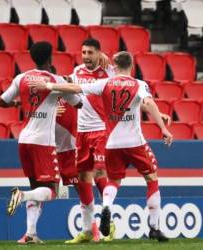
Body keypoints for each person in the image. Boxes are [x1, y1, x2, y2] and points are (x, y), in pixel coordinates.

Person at [29, 51, 173, 242]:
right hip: (135, 141)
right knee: (151, 177)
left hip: (112, 143)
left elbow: (75, 88)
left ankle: (106, 206)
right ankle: (154, 227)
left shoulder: (104, 83)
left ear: (114, 64)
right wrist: (162, 127)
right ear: (132, 65)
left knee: (113, 180)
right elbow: (148, 103)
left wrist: (48, 85)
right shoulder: (139, 84)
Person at [0, 41, 82, 244]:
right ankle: (21, 196)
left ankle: (30, 234)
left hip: (24, 139)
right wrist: (62, 88)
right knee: (51, 190)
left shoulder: (22, 78)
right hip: (43, 142)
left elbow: (1, 101)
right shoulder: (55, 80)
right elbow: (78, 103)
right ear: (50, 58)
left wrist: (20, 102)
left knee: (37, 187)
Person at [67, 38, 115, 243]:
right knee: (83, 178)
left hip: (101, 130)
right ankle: (87, 229)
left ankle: (109, 221)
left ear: (99, 54)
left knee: (100, 173)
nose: (86, 56)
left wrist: (108, 58)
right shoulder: (76, 72)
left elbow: (122, 70)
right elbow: (69, 89)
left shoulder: (109, 72)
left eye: (90, 53)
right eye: (84, 52)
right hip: (82, 132)